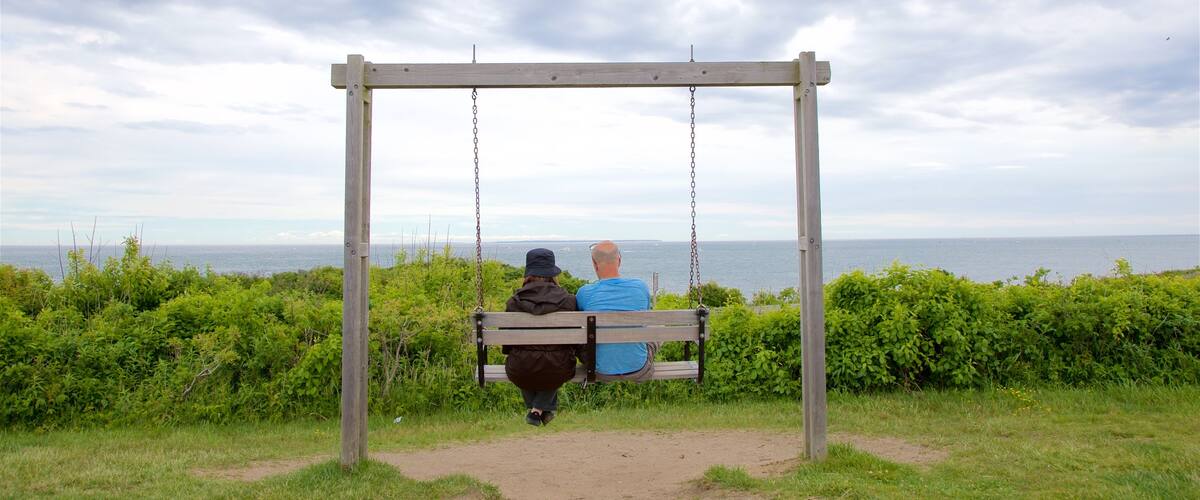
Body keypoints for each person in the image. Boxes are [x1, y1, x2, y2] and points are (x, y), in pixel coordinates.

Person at [503, 248, 579, 426]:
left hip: (520, 370)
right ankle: (539, 409)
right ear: (553, 274)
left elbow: (507, 346)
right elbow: (576, 342)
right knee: (552, 366)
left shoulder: (513, 302)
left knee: (526, 365)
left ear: (528, 274)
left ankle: (536, 410)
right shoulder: (569, 300)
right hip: (559, 368)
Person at [575, 240, 656, 380]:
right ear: (619, 260)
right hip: (639, 368)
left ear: (594, 264)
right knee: (655, 329)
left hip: (599, 370)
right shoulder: (640, 287)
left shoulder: (584, 293)